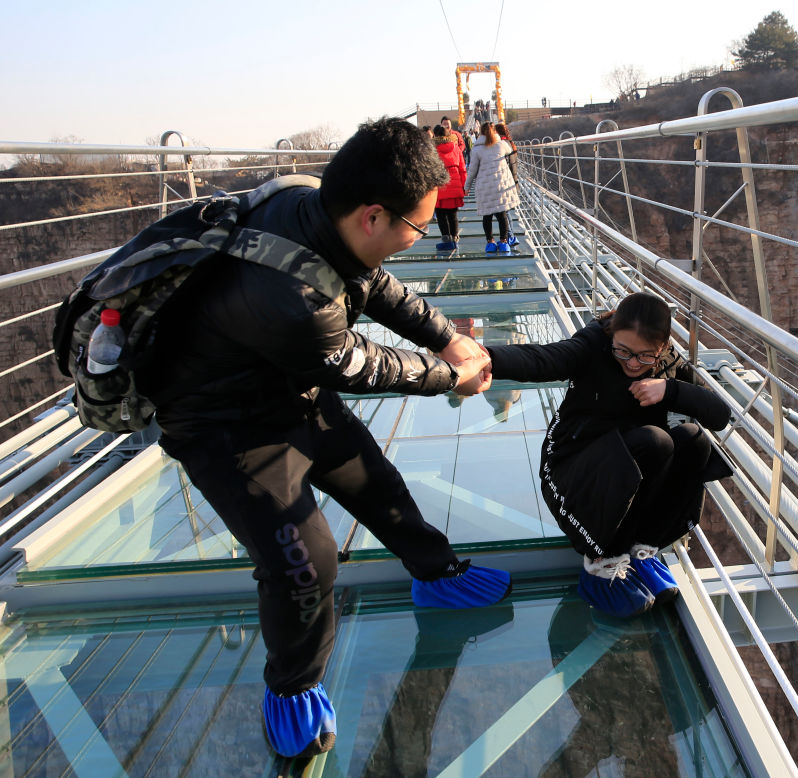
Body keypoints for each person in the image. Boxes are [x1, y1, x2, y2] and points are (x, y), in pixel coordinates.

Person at [144, 117, 509, 761]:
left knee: (376, 482)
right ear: (373, 215)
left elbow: (376, 286)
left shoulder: (307, 205)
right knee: (307, 563)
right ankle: (292, 686)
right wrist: (450, 373)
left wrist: (446, 332)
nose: (415, 239)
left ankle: (435, 573)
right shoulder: (293, 301)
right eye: (417, 227)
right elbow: (361, 363)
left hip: (284, 386)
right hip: (222, 424)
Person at [482, 292, 731, 618]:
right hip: (571, 472)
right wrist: (485, 358)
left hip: (624, 472)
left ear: (661, 347)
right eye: (623, 351)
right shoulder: (592, 347)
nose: (631, 363)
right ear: (612, 334)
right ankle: (601, 563)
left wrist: (667, 389)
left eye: (643, 356)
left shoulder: (665, 361)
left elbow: (718, 415)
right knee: (655, 442)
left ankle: (643, 551)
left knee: (693, 439)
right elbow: (546, 359)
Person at [464, 121, 520, 253]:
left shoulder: (476, 149)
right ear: (494, 131)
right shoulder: (501, 145)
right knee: (502, 215)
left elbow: (472, 171)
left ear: (481, 132)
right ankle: (504, 242)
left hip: (484, 187)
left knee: (487, 216)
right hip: (500, 185)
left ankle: (490, 242)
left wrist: (466, 187)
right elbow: (510, 149)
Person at [432, 123, 466, 252]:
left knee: (441, 214)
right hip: (455, 183)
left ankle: (446, 239)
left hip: (440, 185)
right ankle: (455, 237)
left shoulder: (433, 150)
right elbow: (462, 168)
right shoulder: (456, 148)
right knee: (453, 214)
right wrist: (464, 186)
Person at [493, 123, 520, 246]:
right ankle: (511, 236)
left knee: (504, 211)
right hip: (512, 181)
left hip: (504, 181)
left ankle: (510, 236)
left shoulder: (501, 146)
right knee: (506, 210)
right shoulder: (511, 144)